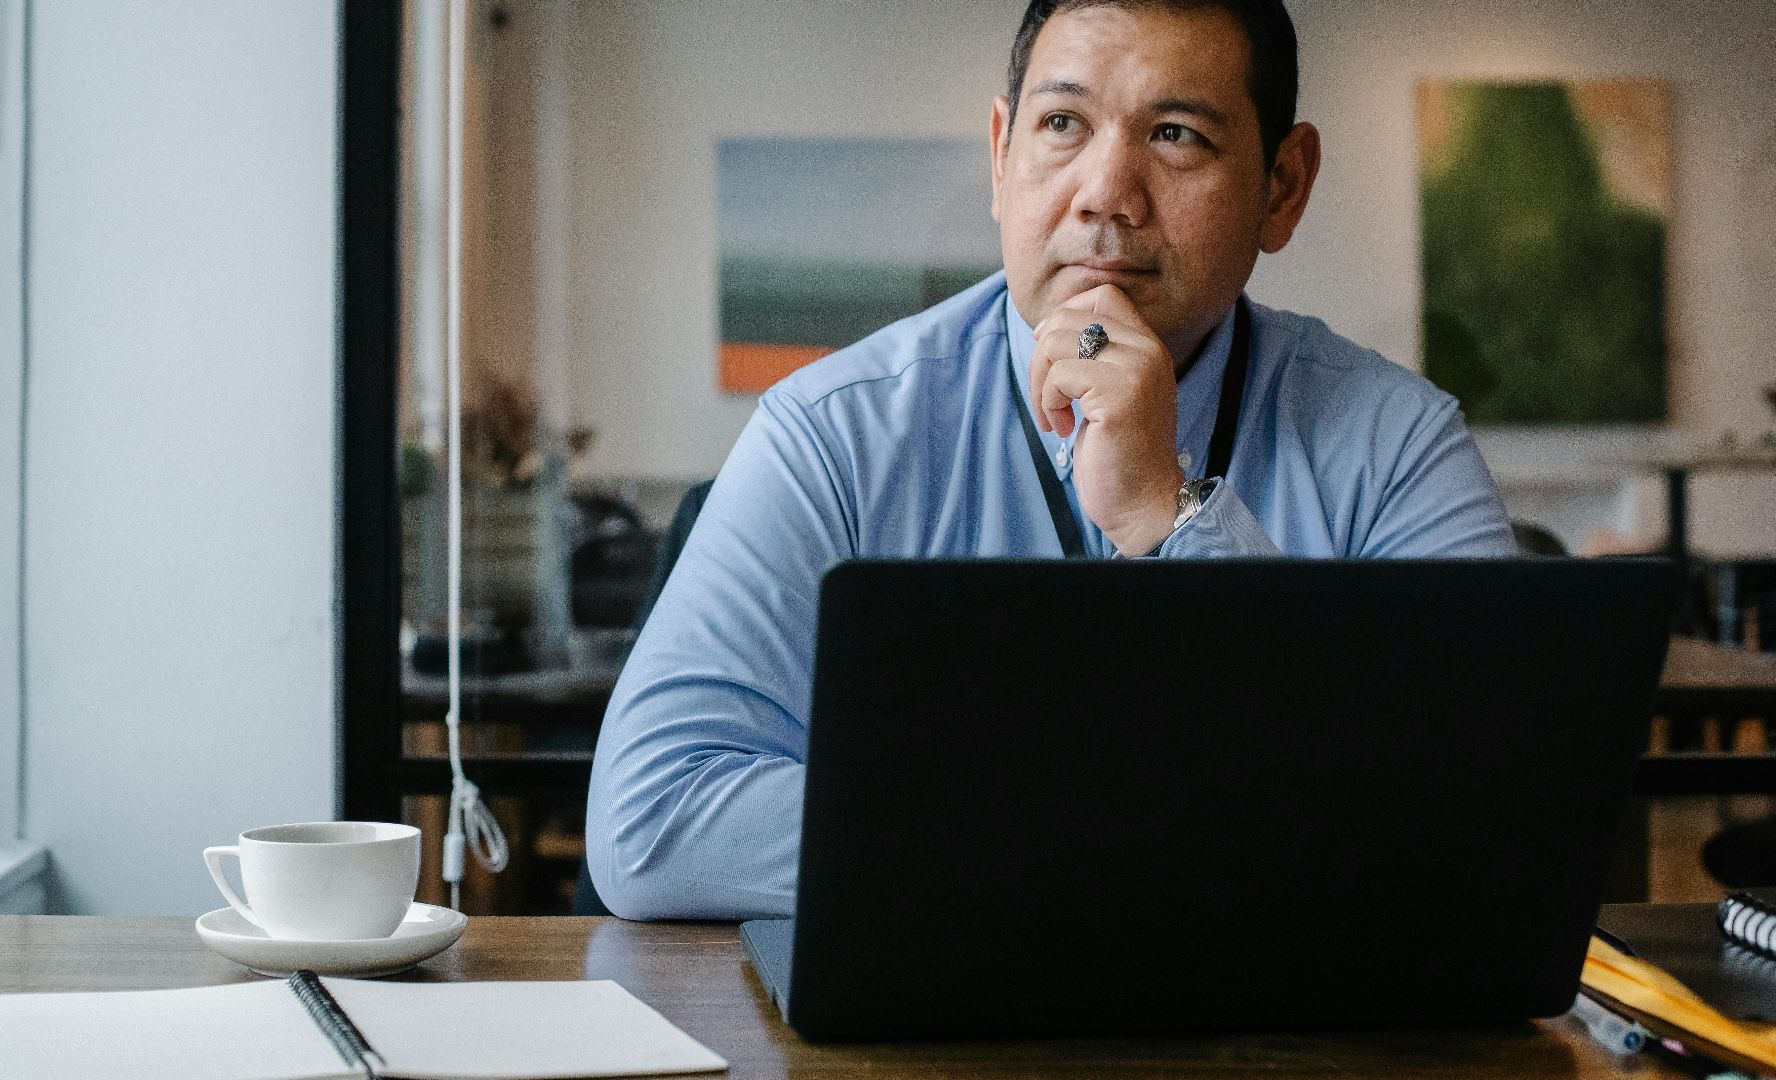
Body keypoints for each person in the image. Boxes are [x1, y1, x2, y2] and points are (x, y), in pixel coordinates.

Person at [586, 0, 1516, 920]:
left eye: (1178, 135)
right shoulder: (833, 432)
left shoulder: (1396, 442)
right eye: (1064, 123)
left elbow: (1493, 822)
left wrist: (1171, 514)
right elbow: (652, 818)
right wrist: (1103, 827)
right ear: (1002, 154)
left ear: (1282, 186)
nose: (1106, 193)